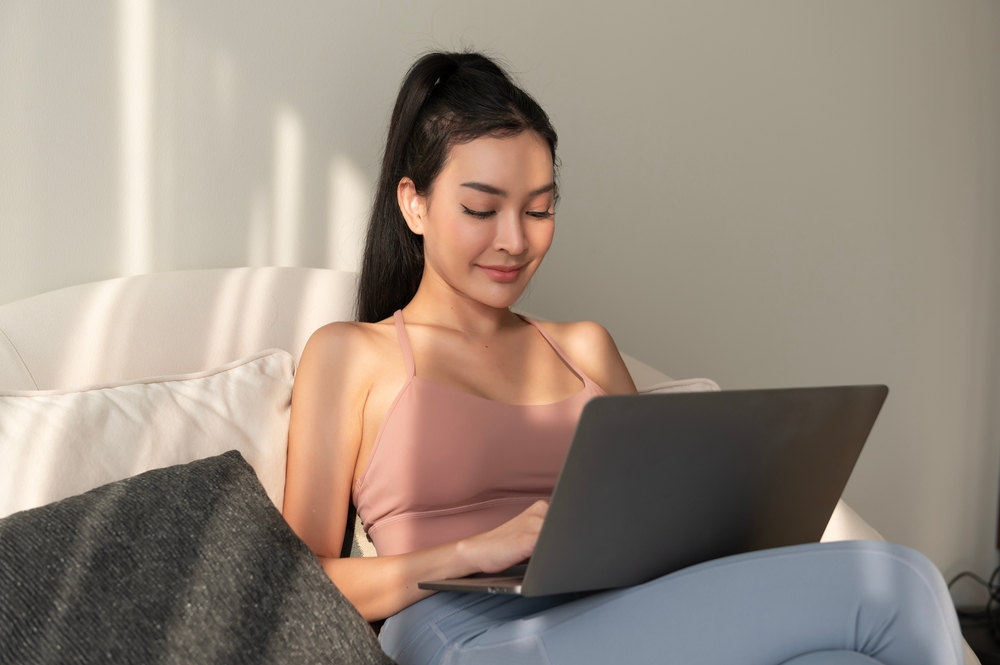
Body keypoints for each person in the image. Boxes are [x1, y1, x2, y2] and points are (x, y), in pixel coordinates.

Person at [282, 51, 964, 665]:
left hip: (615, 612)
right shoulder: (352, 355)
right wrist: (467, 552)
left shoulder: (582, 347)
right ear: (415, 204)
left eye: (540, 210)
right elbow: (297, 578)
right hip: (467, 632)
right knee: (898, 583)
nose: (514, 240)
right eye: (482, 209)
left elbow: (661, 521)